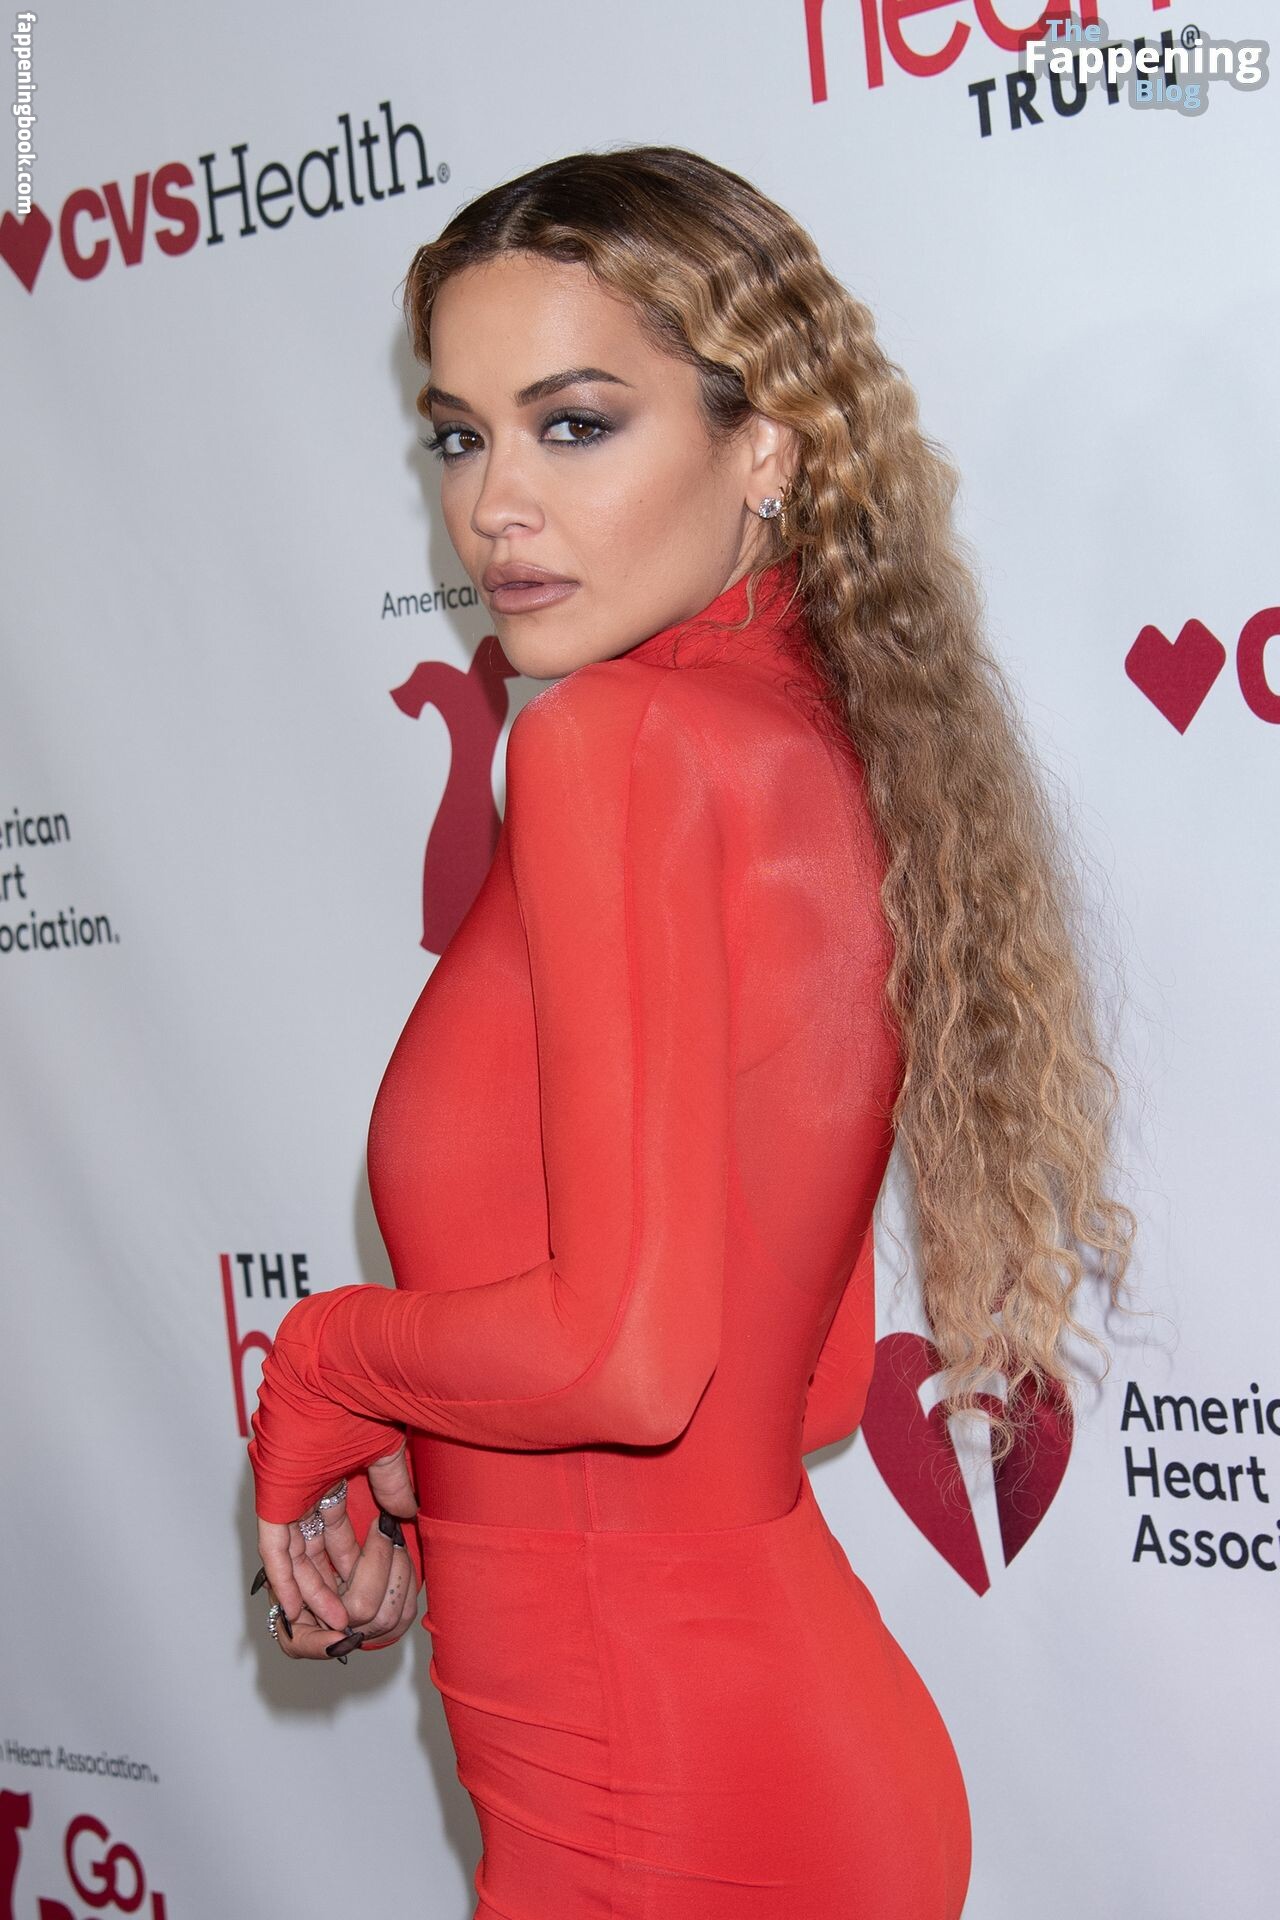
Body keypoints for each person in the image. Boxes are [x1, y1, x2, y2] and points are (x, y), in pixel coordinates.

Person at [247, 146, 1138, 1918]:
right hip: (788, 1756)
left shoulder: (611, 748)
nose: (496, 507)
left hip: (654, 1814)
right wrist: (452, 1491)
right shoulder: (817, 736)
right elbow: (794, 1379)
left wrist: (330, 1367)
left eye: (574, 426)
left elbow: (631, 1361)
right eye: (459, 436)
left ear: (766, 447)